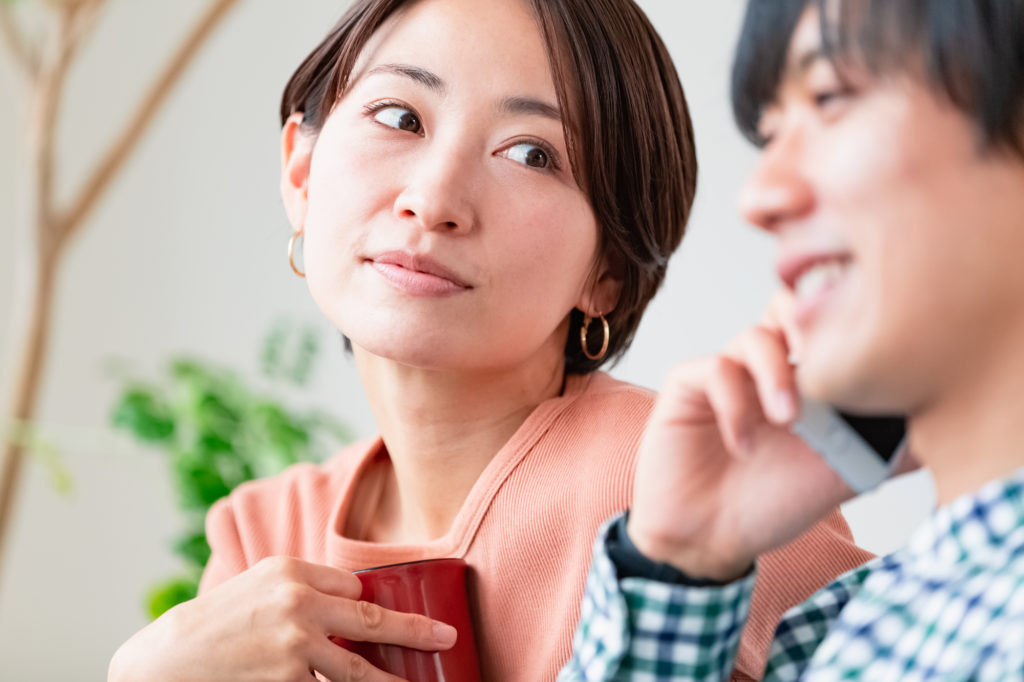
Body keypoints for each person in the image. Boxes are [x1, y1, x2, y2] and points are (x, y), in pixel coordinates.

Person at [107, 1, 874, 680]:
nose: (435, 200)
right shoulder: (260, 536)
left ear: (607, 271)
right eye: (400, 117)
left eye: (532, 154)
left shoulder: (687, 473)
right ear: (300, 170)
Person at [561, 0, 1024, 679]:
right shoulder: (856, 620)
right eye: (771, 134)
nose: (759, 195)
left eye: (831, 96)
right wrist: (683, 562)